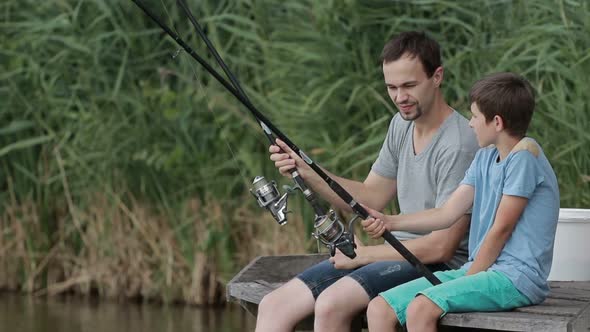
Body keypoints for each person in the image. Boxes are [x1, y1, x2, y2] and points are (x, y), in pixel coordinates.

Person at [255, 31, 479, 332]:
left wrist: (365, 255)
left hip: (440, 266)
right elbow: (371, 197)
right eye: (392, 87)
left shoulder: (459, 142)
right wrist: (306, 168)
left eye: (409, 86)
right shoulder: (401, 124)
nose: (400, 97)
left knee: (332, 303)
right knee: (274, 306)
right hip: (397, 252)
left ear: (437, 77)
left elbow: (442, 247)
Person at [362, 72, 560, 332]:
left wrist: (469, 278)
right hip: (481, 269)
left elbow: (501, 230)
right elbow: (447, 213)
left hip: (515, 278)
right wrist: (390, 221)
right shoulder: (484, 158)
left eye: (475, 116)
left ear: (497, 122)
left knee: (420, 308)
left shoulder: (524, 156)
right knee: (379, 308)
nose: (470, 124)